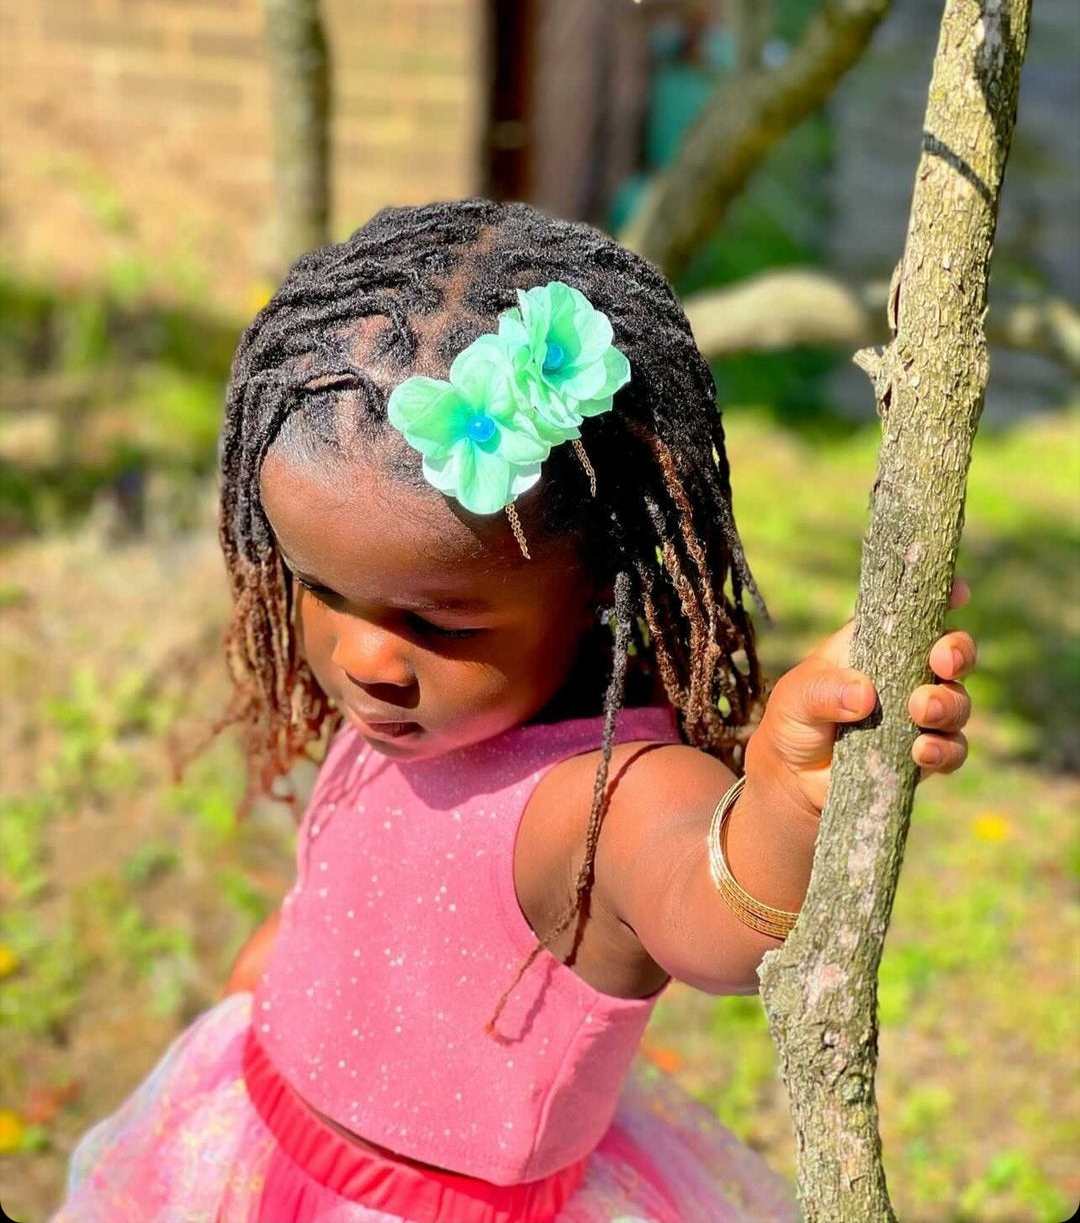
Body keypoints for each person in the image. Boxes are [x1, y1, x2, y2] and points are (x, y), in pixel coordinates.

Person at [56, 199, 975, 1223]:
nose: (366, 657)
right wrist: (272, 973)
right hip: (258, 1138)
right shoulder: (416, 714)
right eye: (324, 588)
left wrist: (788, 803)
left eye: (436, 616)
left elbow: (717, 923)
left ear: (594, 582)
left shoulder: (608, 795)